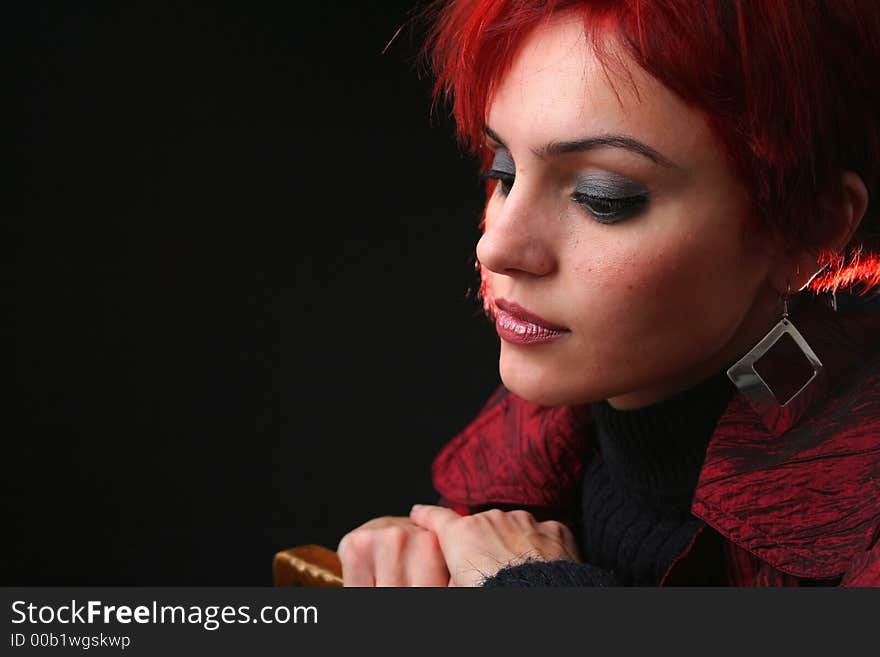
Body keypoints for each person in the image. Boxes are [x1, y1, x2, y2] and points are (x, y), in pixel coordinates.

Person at [338, 0, 880, 586]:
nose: (495, 248)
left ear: (811, 226)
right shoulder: (513, 474)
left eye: (604, 196)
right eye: (504, 172)